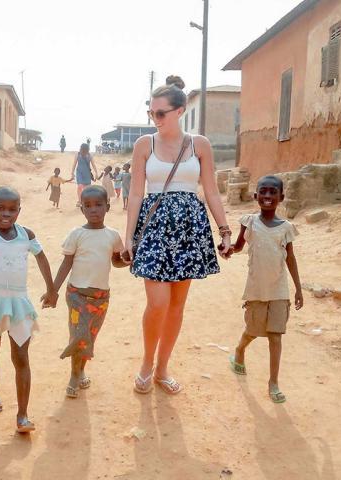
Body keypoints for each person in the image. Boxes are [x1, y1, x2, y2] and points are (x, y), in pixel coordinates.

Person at [123, 75, 231, 395]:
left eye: (160, 113)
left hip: (189, 227)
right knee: (157, 302)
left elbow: (210, 190)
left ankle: (162, 368)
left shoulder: (200, 145)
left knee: (176, 306)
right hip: (154, 226)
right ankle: (146, 362)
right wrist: (128, 238)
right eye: (151, 113)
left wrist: (224, 230)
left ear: (180, 111)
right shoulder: (145, 145)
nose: (154, 119)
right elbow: (134, 195)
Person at [0, 187, 58, 432]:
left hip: (18, 304)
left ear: (19, 210)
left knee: (21, 357)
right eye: (0, 209)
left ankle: (22, 415)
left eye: (12, 209)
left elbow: (41, 257)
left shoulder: (26, 235)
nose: (6, 214)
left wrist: (51, 289)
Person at [227, 175, 303, 404]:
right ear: (255, 196)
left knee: (275, 335)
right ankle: (240, 350)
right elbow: (239, 246)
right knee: (252, 330)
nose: (268, 196)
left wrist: (298, 288)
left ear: (281, 197)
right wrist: (228, 249)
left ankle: (273, 382)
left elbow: (290, 258)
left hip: (279, 290)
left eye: (273, 192)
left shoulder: (286, 228)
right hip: (256, 290)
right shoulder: (249, 222)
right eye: (264, 192)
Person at [49, 185, 128, 398]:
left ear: (107, 207)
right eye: (88, 206)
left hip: (101, 297)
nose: (93, 209)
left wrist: (129, 260)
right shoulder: (77, 234)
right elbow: (66, 264)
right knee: (80, 335)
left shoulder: (113, 236)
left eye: (98, 205)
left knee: (89, 338)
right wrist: (53, 290)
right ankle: (74, 376)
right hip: (76, 295)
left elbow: (116, 262)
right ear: (82, 209)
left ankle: (80, 370)